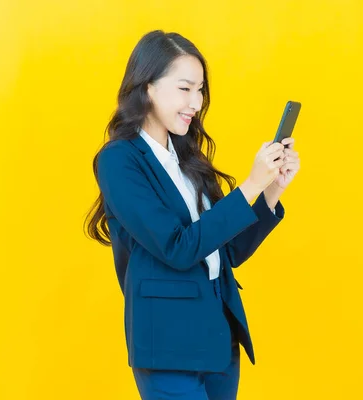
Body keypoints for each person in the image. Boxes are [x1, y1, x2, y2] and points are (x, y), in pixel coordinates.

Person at [85, 30, 300, 400]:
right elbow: (178, 247)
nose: (196, 102)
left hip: (218, 335)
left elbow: (227, 251)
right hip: (168, 342)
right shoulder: (119, 160)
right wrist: (249, 185)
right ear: (148, 87)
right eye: (185, 88)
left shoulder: (187, 158)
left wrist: (270, 190)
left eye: (200, 90)